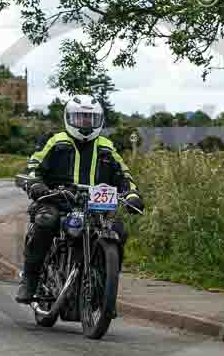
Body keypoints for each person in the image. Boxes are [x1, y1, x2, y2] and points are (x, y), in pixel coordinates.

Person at [15, 94, 145, 303]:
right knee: (46, 221)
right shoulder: (55, 141)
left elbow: (124, 175)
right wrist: (36, 184)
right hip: (57, 200)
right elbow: (33, 166)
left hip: (95, 207)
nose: (85, 123)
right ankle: (30, 280)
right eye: (80, 118)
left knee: (118, 230)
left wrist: (132, 194)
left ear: (99, 121)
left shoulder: (107, 147)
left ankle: (105, 284)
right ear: (69, 118)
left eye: (90, 119)